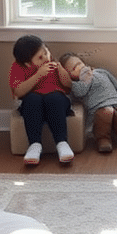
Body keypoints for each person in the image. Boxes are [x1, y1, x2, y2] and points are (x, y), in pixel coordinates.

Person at [10, 35, 75, 166]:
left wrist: (60, 69)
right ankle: (34, 145)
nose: (46, 57)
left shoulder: (53, 64)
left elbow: (68, 84)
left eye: (46, 52)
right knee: (32, 99)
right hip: (33, 104)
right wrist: (38, 75)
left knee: (54, 97)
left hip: (57, 101)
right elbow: (18, 91)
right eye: (40, 57)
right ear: (28, 63)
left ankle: (62, 143)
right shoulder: (18, 67)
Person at [59, 53, 117, 154]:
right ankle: (103, 139)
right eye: (74, 69)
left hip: (115, 101)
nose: (79, 67)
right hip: (99, 108)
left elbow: (114, 81)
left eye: (79, 63)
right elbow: (80, 92)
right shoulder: (77, 84)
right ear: (71, 76)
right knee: (105, 114)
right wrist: (82, 79)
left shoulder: (101, 71)